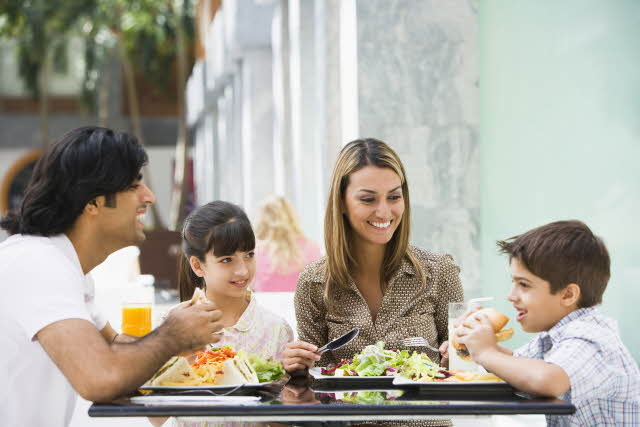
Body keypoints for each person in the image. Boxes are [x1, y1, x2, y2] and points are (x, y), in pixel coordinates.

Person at [0, 126, 225, 427]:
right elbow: (101, 377)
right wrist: (172, 335)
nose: (150, 197)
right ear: (92, 202)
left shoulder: (64, 266)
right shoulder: (37, 263)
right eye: (134, 186)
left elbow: (117, 350)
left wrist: (183, 350)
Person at [282, 138, 464, 374]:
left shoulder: (440, 272)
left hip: (419, 411)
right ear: (342, 203)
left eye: (394, 197)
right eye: (368, 199)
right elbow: (313, 377)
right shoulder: (314, 282)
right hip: (346, 411)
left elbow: (465, 366)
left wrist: (461, 357)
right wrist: (296, 367)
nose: (384, 211)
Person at [454, 220, 640, 426]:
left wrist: (486, 352)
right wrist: (477, 342)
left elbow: (546, 380)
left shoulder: (592, 338)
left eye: (524, 285)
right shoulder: (555, 336)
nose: (511, 296)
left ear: (568, 295)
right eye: (513, 283)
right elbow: (517, 364)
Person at [177, 200, 294, 358]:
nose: (243, 270)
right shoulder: (173, 327)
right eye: (226, 260)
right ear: (198, 265)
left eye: (249, 255)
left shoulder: (276, 329)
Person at [253, 195, 321, 292]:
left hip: (264, 305)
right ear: (291, 216)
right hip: (300, 306)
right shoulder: (311, 248)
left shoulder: (253, 252)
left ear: (261, 220)